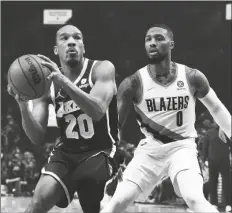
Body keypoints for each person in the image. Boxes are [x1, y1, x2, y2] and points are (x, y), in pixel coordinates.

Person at [100, 24, 231, 213]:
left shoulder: (192, 76)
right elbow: (116, 126)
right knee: (117, 203)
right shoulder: (133, 83)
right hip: (149, 151)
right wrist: (111, 157)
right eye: (148, 39)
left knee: (195, 199)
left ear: (171, 44)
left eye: (159, 38)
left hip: (182, 148)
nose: (152, 43)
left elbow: (217, 108)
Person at [7, 24, 119, 213]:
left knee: (88, 185)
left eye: (77, 38)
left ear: (83, 47)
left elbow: (98, 111)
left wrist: (64, 82)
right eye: (64, 38)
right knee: (36, 205)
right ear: (56, 50)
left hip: (101, 150)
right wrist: (22, 105)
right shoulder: (47, 84)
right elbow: (36, 137)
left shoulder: (101, 69)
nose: (72, 42)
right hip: (66, 152)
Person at [202, 120, 231, 212]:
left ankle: (228, 204)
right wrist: (203, 160)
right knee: (213, 182)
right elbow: (205, 147)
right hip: (212, 160)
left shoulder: (228, 132)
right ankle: (213, 203)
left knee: (227, 183)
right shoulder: (209, 133)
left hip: (225, 160)